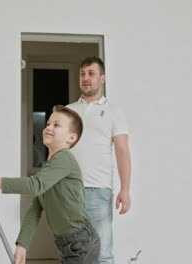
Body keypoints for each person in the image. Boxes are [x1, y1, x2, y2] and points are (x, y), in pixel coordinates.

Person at [0, 105, 101, 264]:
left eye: (56, 125)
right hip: (67, 242)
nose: (49, 127)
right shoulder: (49, 168)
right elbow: (35, 209)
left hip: (80, 242)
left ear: (71, 138)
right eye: (48, 124)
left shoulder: (64, 158)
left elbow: (35, 185)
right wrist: (22, 244)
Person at [67, 56, 132, 264]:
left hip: (99, 192)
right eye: (82, 74)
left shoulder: (114, 112)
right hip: (69, 192)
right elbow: (57, 151)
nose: (86, 78)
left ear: (102, 78)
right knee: (73, 255)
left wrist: (125, 189)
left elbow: (122, 151)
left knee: (102, 255)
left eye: (91, 74)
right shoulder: (68, 112)